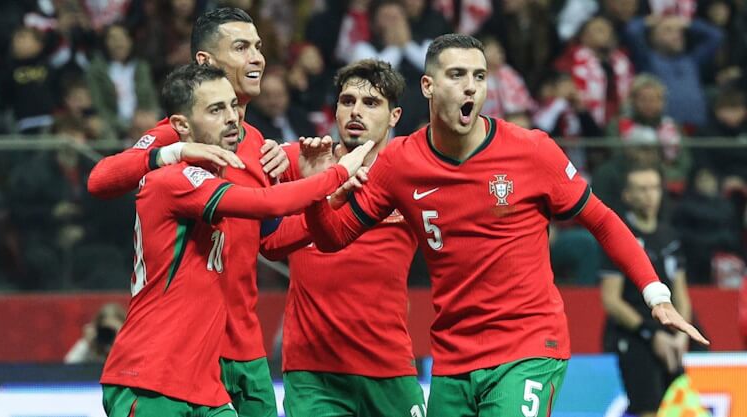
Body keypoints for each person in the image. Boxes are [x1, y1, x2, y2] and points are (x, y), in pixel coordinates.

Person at [303, 34, 708, 417]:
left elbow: (601, 220)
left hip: (528, 346)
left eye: (479, 77)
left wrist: (656, 294)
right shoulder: (400, 164)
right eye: (456, 75)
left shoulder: (531, 151)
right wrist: (316, 190)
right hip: (453, 356)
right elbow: (333, 236)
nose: (471, 87)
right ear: (427, 86)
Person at [100, 63, 374, 417]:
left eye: (233, 106)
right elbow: (268, 203)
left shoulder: (229, 168)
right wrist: (338, 171)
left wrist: (327, 202)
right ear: (182, 125)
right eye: (217, 110)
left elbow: (269, 237)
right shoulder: (174, 180)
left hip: (204, 385)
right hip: (151, 377)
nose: (232, 118)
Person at [86, 8, 290, 416]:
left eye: (258, 47)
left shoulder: (258, 143)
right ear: (206, 62)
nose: (256, 58)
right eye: (241, 47)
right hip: (194, 354)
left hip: (247, 351)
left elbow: (270, 241)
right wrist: (169, 152)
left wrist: (304, 187)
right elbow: (100, 178)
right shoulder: (177, 134)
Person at [262, 59, 426, 416]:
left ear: (394, 115)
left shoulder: (412, 178)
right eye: (347, 101)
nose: (356, 111)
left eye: (371, 103)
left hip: (389, 368)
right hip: (312, 373)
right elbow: (269, 245)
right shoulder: (298, 161)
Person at [600, 164, 695, 417]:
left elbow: (681, 293)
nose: (649, 195)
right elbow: (611, 300)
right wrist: (650, 333)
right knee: (648, 411)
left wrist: (680, 335)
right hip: (636, 338)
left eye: (654, 187)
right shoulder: (619, 236)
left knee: (679, 410)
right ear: (627, 195)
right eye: (641, 189)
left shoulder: (670, 236)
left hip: (669, 337)